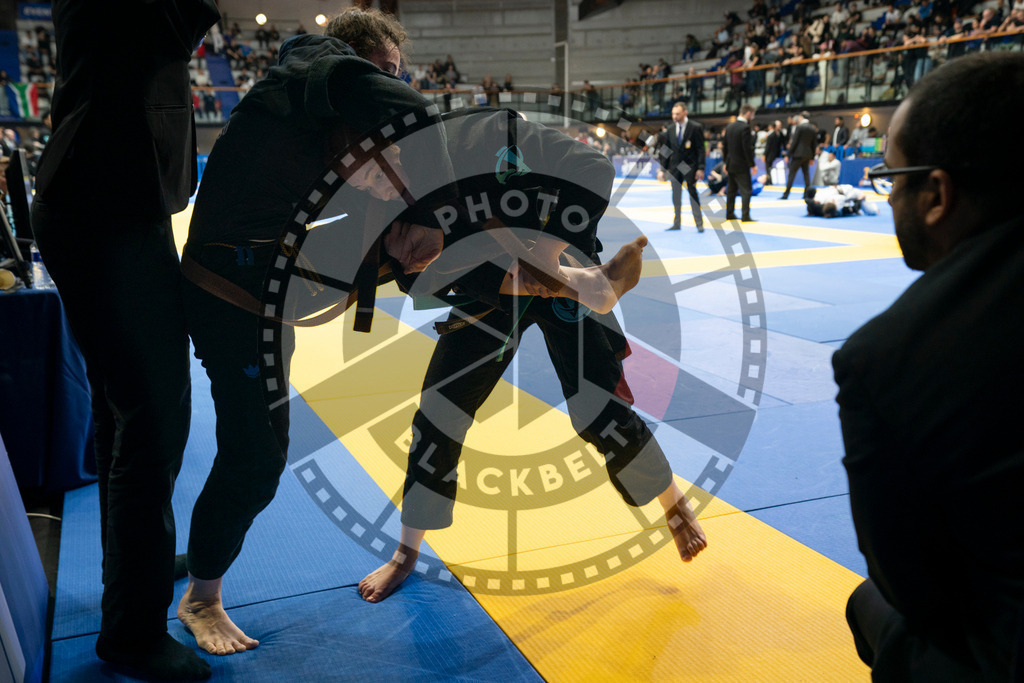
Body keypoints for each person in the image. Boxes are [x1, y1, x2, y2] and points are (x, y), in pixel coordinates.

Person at [356, 109, 707, 604]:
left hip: (563, 256)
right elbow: (418, 274)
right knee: (439, 412)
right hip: (495, 291)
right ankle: (405, 552)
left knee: (599, 408)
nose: (376, 182)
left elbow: (594, 169)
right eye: (366, 177)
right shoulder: (395, 228)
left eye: (378, 170)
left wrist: (547, 256)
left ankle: (672, 501)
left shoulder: (482, 135)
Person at [30, 1, 220, 680]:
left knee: (126, 411)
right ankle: (133, 631)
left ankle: (130, 571)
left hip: (96, 198)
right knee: (155, 417)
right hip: (105, 205)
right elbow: (182, 17)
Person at [834, 52, 1024, 681]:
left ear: (937, 193)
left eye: (892, 179)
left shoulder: (887, 359)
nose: (888, 198)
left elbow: (915, 590)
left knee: (870, 603)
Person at [656, 102, 705, 232]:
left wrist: (701, 168)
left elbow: (700, 149)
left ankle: (699, 223)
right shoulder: (670, 129)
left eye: (677, 113)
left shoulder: (695, 127)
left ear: (685, 113)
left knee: (693, 194)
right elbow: (666, 150)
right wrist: (663, 169)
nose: (674, 116)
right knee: (675, 195)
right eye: (673, 114)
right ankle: (676, 223)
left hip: (690, 166)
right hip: (675, 166)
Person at [723, 104, 757, 222]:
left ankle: (729, 213)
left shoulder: (729, 127)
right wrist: (752, 164)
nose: (752, 118)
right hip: (741, 164)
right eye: (752, 115)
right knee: (746, 190)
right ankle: (745, 215)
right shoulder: (745, 128)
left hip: (731, 163)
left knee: (731, 190)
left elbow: (725, 147)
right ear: (748, 113)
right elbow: (746, 148)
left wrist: (725, 163)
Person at [780, 110, 816, 199]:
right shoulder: (812, 128)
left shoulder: (799, 127)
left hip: (798, 154)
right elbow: (814, 144)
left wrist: (788, 155)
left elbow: (794, 142)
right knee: (806, 175)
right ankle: (807, 195)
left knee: (791, 174)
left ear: (801, 117)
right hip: (807, 154)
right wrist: (812, 157)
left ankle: (786, 194)